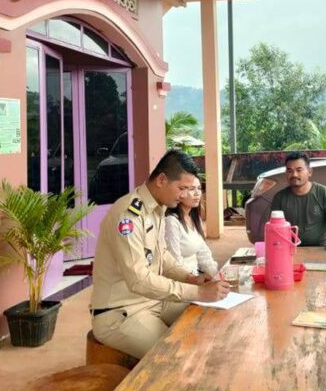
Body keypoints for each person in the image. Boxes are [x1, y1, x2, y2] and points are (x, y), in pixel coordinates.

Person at [90, 149, 230, 359]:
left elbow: (162, 257)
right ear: (162, 180)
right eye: (181, 188)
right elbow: (138, 280)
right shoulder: (128, 215)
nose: (184, 195)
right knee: (175, 356)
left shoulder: (157, 209)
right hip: (121, 312)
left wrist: (192, 279)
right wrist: (197, 292)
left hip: (152, 301)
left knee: (207, 316)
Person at [270, 152, 326, 247]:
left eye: (299, 170)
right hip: (290, 248)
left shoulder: (323, 193)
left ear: (310, 172)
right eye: (289, 171)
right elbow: (274, 228)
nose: (294, 174)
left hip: (320, 248)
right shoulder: (279, 197)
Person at [164, 174, 219, 278]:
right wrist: (196, 281)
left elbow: (204, 255)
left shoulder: (195, 219)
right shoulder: (171, 222)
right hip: (181, 281)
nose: (197, 193)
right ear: (180, 192)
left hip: (195, 278)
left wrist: (215, 277)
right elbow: (175, 263)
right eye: (192, 189)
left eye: (199, 188)